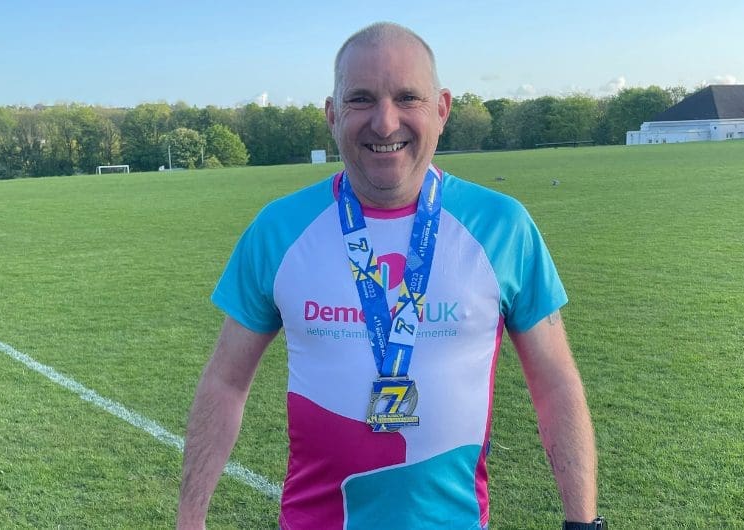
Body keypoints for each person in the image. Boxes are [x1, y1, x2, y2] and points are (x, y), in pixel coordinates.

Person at [178, 22, 603, 530]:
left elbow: (555, 382)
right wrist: (190, 519)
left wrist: (583, 523)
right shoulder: (279, 229)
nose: (384, 122)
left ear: (442, 108)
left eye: (407, 97)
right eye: (361, 99)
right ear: (332, 114)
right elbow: (225, 382)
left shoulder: (503, 227)